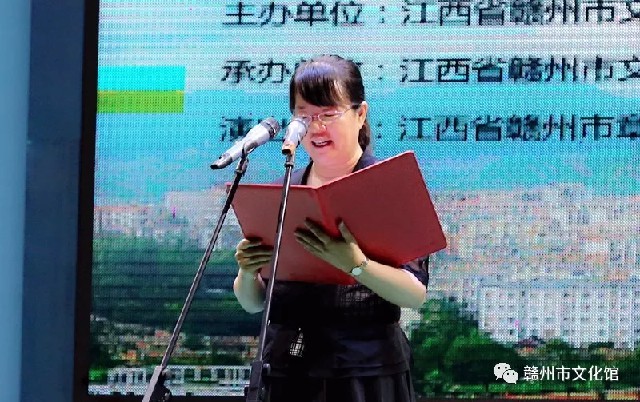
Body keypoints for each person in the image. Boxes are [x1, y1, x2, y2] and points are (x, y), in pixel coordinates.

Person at [233, 54, 430, 402]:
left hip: (364, 374)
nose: (316, 127)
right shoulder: (283, 192)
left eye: (328, 114)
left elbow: (414, 294)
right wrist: (248, 271)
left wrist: (356, 265)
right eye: (305, 116)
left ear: (360, 114)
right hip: (286, 371)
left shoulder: (390, 188)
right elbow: (253, 303)